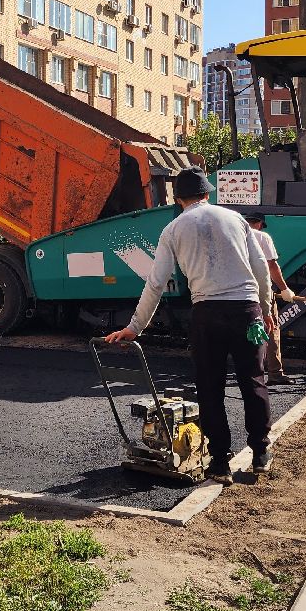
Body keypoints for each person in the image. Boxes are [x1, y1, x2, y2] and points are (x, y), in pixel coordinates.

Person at [105, 168, 274, 484]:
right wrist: (264, 309)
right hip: (246, 310)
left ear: (177, 198)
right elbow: (260, 268)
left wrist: (135, 327)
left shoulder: (173, 230)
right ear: (207, 193)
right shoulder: (236, 220)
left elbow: (156, 283)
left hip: (207, 313)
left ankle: (220, 463)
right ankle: (260, 453)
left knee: (210, 387)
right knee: (253, 380)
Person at [244, 213, 299, 384]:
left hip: (239, 291)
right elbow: (272, 266)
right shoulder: (262, 237)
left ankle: (248, 372)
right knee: (271, 328)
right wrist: (284, 289)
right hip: (261, 291)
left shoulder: (233, 235)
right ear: (260, 224)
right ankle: (275, 373)